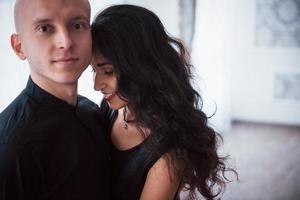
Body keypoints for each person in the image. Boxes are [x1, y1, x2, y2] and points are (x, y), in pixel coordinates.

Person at [91, 4, 238, 200]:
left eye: (108, 71)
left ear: (140, 66)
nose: (96, 85)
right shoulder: (110, 109)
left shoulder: (168, 155)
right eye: (94, 70)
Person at [0, 0, 110, 199]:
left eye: (77, 25)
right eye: (45, 28)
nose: (65, 42)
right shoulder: (11, 148)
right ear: (19, 47)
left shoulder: (94, 111)